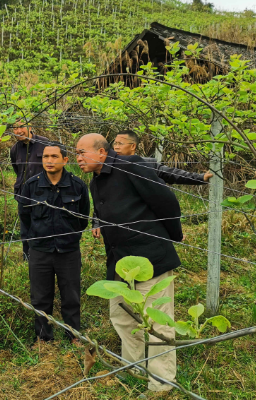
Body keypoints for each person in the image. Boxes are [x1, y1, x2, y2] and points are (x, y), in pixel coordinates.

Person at [76, 133, 183, 397]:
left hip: (151, 258)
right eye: (76, 153)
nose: (77, 158)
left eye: (81, 152)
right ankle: (133, 367)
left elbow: (166, 201)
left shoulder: (131, 166)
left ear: (102, 152)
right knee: (122, 317)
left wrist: (171, 236)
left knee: (158, 322)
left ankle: (161, 383)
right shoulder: (96, 180)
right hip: (119, 263)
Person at [17, 142, 90, 344]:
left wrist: (70, 237)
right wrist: (31, 245)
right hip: (40, 250)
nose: (49, 161)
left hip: (68, 251)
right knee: (40, 297)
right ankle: (43, 338)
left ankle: (73, 335)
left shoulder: (77, 185)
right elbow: (25, 217)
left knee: (71, 295)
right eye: (45, 157)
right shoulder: (31, 186)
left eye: (54, 157)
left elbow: (83, 218)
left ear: (65, 160)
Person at [92, 129, 212, 239]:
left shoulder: (146, 164)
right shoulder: (108, 169)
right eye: (115, 143)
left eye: (120, 144)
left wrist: (200, 177)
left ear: (133, 146)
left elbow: (172, 174)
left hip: (146, 226)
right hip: (119, 231)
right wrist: (97, 222)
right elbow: (102, 198)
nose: (116, 147)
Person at [9, 121, 48, 259]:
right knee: (26, 228)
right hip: (23, 195)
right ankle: (28, 256)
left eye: (21, 127)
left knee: (43, 226)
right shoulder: (14, 149)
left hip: (43, 195)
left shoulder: (45, 144)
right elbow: (17, 170)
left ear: (30, 127)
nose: (18, 130)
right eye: (15, 128)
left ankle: (43, 256)